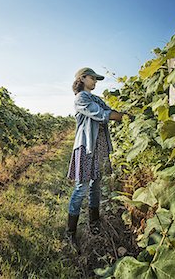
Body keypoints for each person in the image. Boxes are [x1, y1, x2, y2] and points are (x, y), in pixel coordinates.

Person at [66, 67, 132, 251]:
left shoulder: (96, 98)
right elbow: (101, 114)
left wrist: (122, 113)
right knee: (82, 188)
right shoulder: (81, 98)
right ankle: (70, 232)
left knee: (96, 185)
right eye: (92, 78)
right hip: (86, 147)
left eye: (96, 79)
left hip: (100, 147)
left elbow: (109, 110)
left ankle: (94, 222)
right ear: (82, 78)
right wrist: (123, 116)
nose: (95, 81)